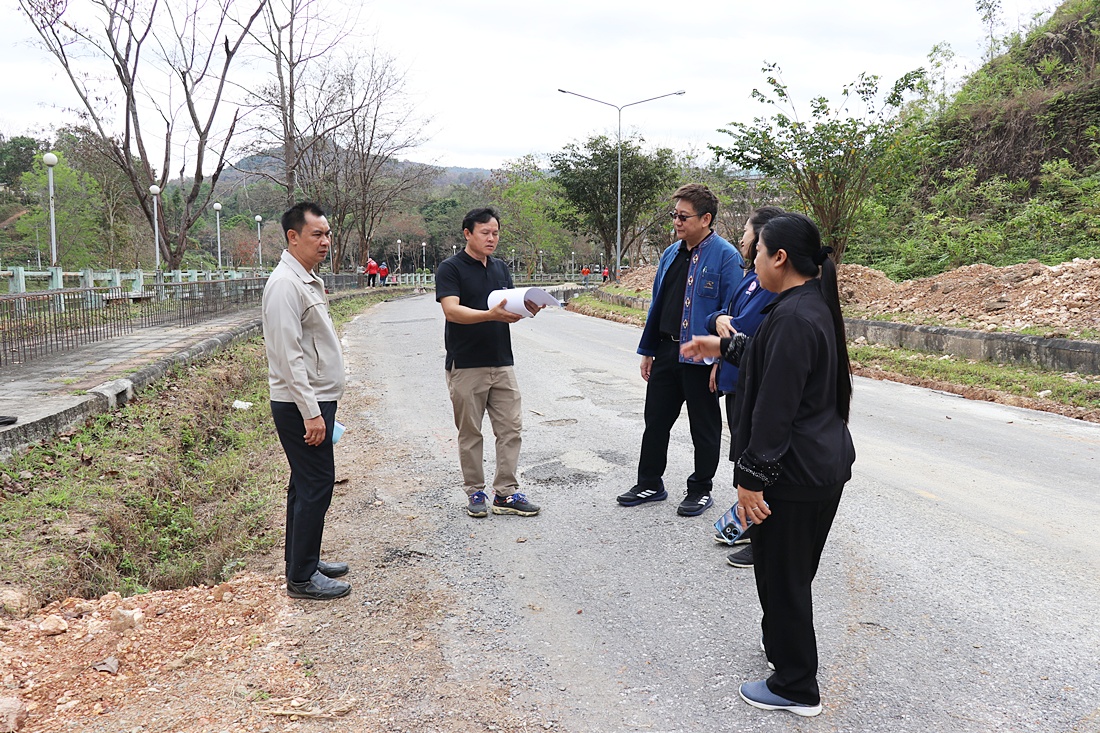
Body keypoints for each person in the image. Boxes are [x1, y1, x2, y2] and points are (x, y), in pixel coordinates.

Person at [681, 212, 856, 717]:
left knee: (783, 579)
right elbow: (773, 357)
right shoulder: (806, 305)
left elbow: (776, 408)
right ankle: (782, 647)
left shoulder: (796, 316)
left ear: (779, 257)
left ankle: (796, 686)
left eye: (757, 251)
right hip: (820, 465)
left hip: (794, 473)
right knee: (790, 573)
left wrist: (751, 479)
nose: (752, 260)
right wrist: (724, 345)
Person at [616, 184, 743, 516]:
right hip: (666, 351)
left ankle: (700, 489)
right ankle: (649, 483)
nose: (677, 222)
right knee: (656, 421)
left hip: (703, 357)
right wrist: (648, 350)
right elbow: (657, 306)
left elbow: (733, 313)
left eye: (683, 216)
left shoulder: (726, 256)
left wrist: (721, 360)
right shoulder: (670, 254)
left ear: (706, 219)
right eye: (675, 215)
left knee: (704, 427)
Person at [262, 202, 351, 601]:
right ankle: (301, 577)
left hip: (314, 399)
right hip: (302, 403)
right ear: (293, 237)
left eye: (327, 234)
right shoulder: (286, 285)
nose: (325, 241)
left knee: (304, 484)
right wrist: (311, 412)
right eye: (317, 234)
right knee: (316, 483)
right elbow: (289, 356)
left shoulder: (305, 279)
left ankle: (303, 561)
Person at [435, 207, 544, 518]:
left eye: (495, 233)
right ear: (467, 233)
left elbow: (508, 308)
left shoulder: (500, 268)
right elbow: (451, 311)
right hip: (466, 364)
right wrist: (489, 315)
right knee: (471, 432)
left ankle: (506, 492)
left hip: (502, 362)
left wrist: (526, 309)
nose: (491, 238)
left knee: (511, 429)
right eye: (485, 232)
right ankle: (475, 491)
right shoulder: (450, 268)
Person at [706, 206, 786, 567]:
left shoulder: (771, 285)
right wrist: (717, 324)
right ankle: (747, 520)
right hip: (735, 378)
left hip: (753, 381)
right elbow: (723, 317)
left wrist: (722, 325)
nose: (742, 239)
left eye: (747, 232)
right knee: (742, 453)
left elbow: (741, 327)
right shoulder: (751, 276)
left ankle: (763, 533)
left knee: (758, 458)